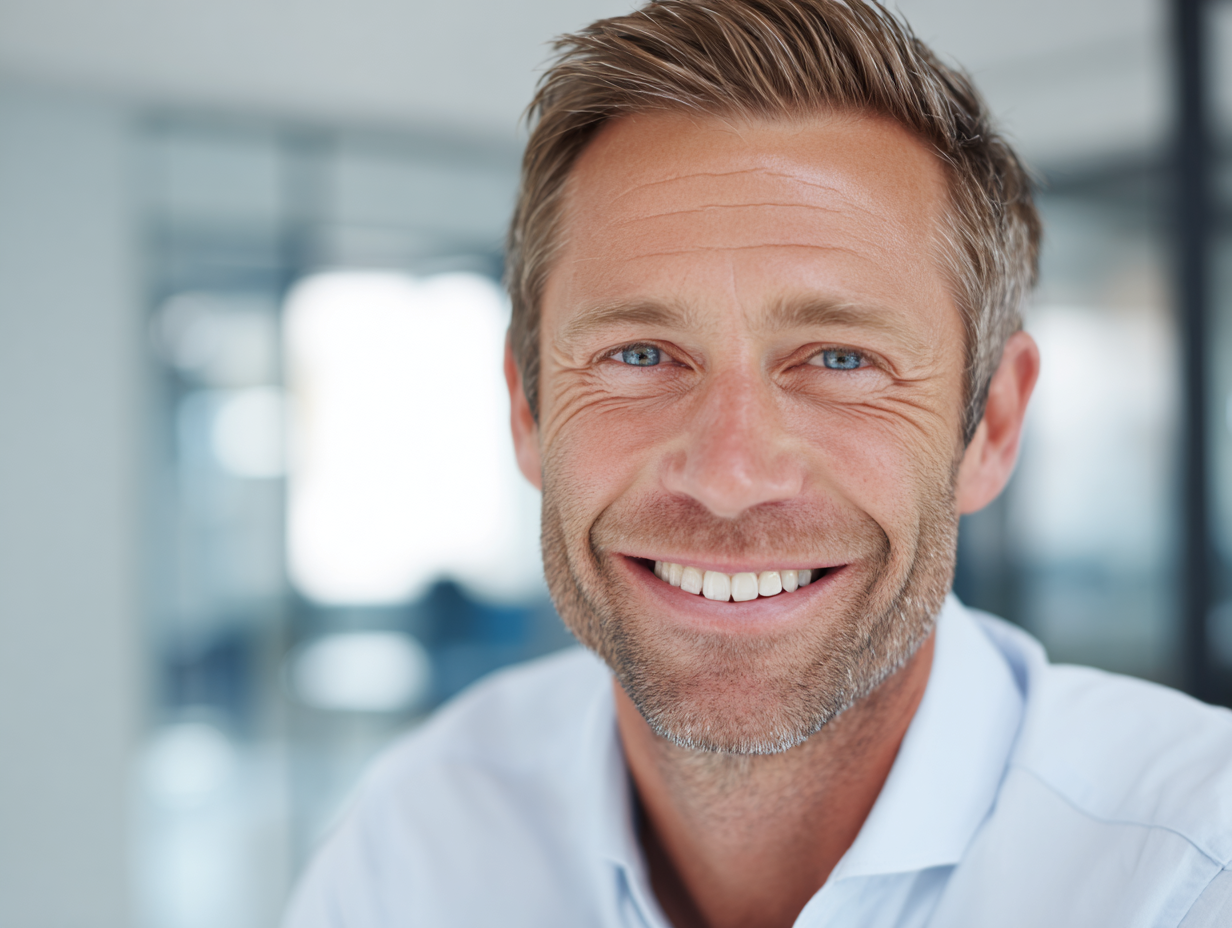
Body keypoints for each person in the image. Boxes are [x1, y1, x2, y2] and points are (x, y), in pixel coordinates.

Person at [284, 1, 1232, 925]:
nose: (730, 474)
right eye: (641, 355)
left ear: (990, 425)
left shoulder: (1191, 872)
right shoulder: (416, 843)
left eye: (839, 360)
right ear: (528, 409)